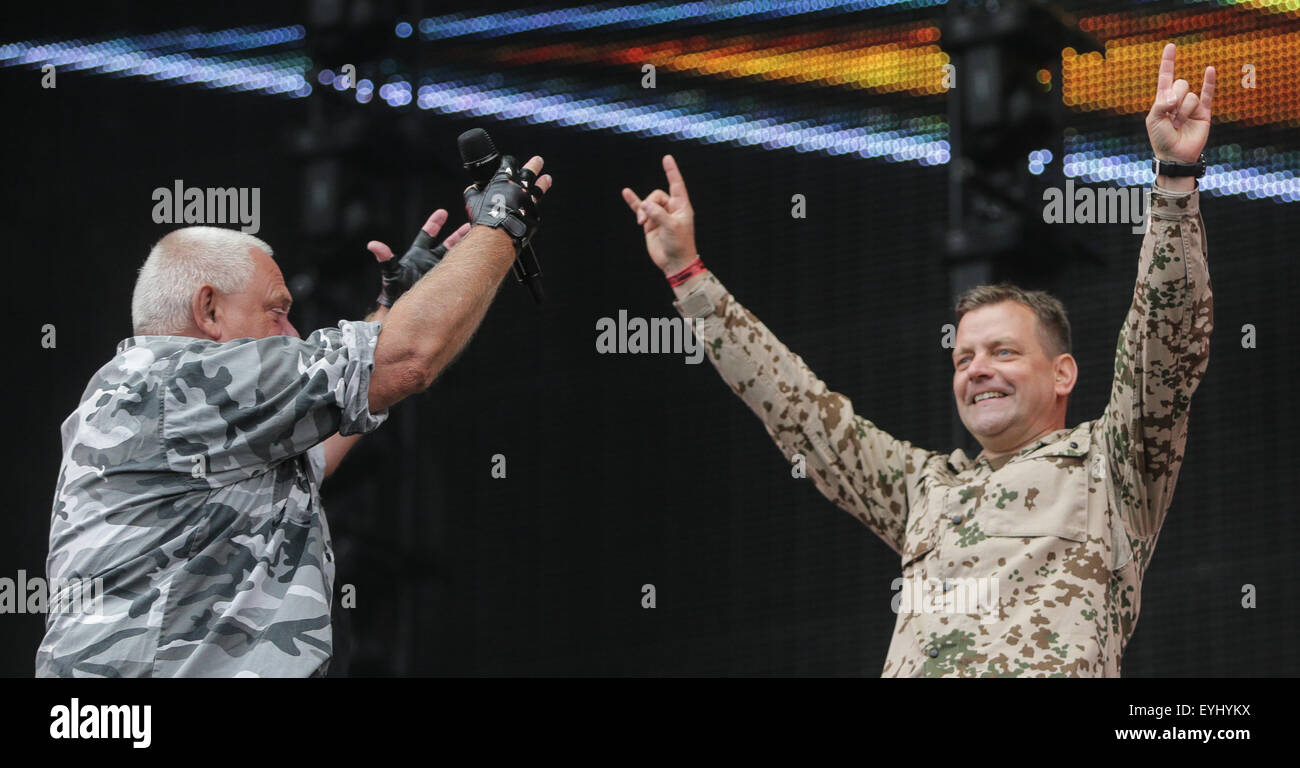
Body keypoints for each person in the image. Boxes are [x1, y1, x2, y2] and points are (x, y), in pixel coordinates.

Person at [620, 44, 1214, 676]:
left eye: (1003, 351)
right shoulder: (923, 489)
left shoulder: (1113, 466)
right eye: (963, 358)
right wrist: (689, 276)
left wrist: (1174, 179)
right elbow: (799, 410)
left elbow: (1163, 338)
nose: (976, 368)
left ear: (1062, 373)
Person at [37, 154, 552, 677]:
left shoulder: (165, 404)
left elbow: (326, 435)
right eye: (277, 312)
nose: (292, 334)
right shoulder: (175, 383)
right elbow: (406, 359)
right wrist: (502, 224)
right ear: (209, 310)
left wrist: (398, 307)